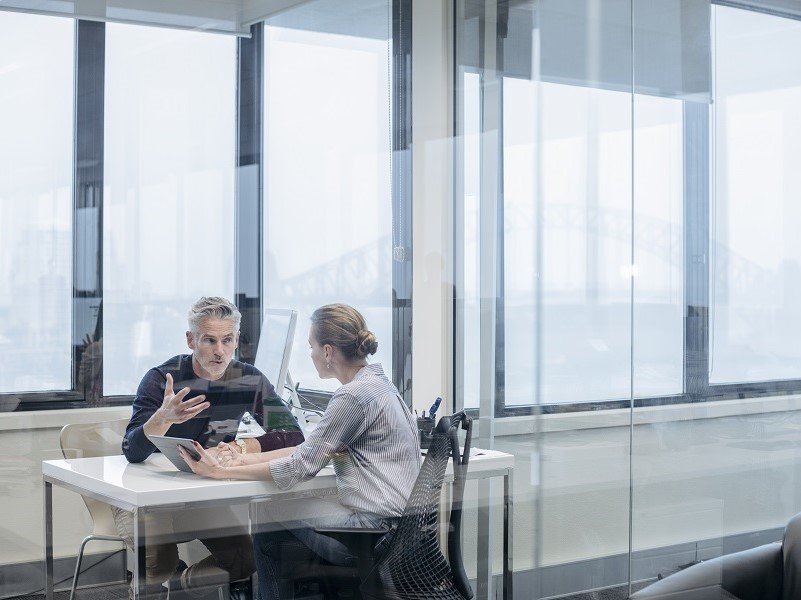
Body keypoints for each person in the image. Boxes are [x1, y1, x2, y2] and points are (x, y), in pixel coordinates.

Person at [179, 303, 422, 600]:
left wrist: (220, 471)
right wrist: (244, 458)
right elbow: (309, 451)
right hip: (401, 533)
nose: (311, 354)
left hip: (373, 534)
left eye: (312, 347)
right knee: (277, 531)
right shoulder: (380, 386)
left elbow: (298, 468)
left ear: (329, 352)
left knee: (266, 509)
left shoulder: (352, 397)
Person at [115, 296, 304, 599]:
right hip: (146, 496)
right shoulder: (162, 379)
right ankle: (158, 583)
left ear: (236, 340)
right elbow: (132, 451)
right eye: (209, 340)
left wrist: (242, 447)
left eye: (227, 340)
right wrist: (161, 419)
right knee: (157, 566)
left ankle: (182, 585)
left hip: (197, 492)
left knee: (246, 558)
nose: (219, 351)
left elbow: (293, 435)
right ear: (191, 340)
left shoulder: (248, 378)